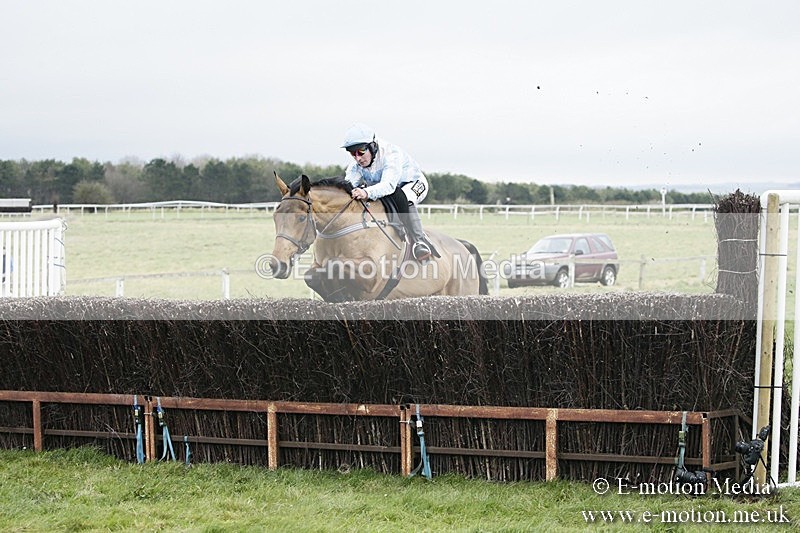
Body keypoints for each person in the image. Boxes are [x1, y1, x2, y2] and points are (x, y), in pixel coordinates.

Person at [341, 123, 433, 261]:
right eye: (352, 154)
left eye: (360, 152)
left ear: (372, 146)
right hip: (387, 190)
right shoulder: (355, 166)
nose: (358, 158)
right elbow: (348, 187)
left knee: (403, 197)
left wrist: (365, 192)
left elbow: (389, 185)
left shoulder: (391, 154)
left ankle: (420, 241)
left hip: (412, 184)